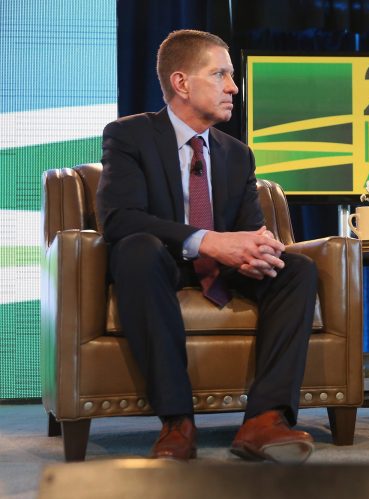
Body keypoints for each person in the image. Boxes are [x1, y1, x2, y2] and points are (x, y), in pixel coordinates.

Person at [96, 29, 318, 463]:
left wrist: (259, 250)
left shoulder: (237, 154)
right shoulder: (130, 137)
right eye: (221, 75)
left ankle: (265, 420)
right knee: (137, 248)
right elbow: (119, 218)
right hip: (160, 264)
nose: (233, 87)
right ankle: (177, 423)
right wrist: (209, 241)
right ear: (181, 83)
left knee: (297, 271)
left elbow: (248, 228)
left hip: (223, 270)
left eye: (231, 76)